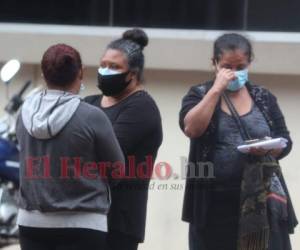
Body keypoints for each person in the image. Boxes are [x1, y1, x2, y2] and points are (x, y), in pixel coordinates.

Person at [179, 33, 298, 250]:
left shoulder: (263, 97)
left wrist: (268, 149)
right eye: (227, 67)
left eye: (240, 66)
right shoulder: (199, 94)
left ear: (249, 62)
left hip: (261, 201)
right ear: (214, 63)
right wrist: (216, 89)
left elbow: (285, 139)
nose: (234, 73)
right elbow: (191, 128)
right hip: (214, 203)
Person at [16, 43, 125, 250]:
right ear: (81, 72)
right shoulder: (92, 117)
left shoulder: (24, 114)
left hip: (31, 223)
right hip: (83, 225)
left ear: (43, 74)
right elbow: (117, 170)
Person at [84, 28, 163, 250]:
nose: (105, 71)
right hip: (86, 215)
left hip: (118, 221)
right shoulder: (90, 102)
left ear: (133, 74)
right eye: (103, 64)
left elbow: (103, 153)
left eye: (115, 67)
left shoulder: (141, 108)